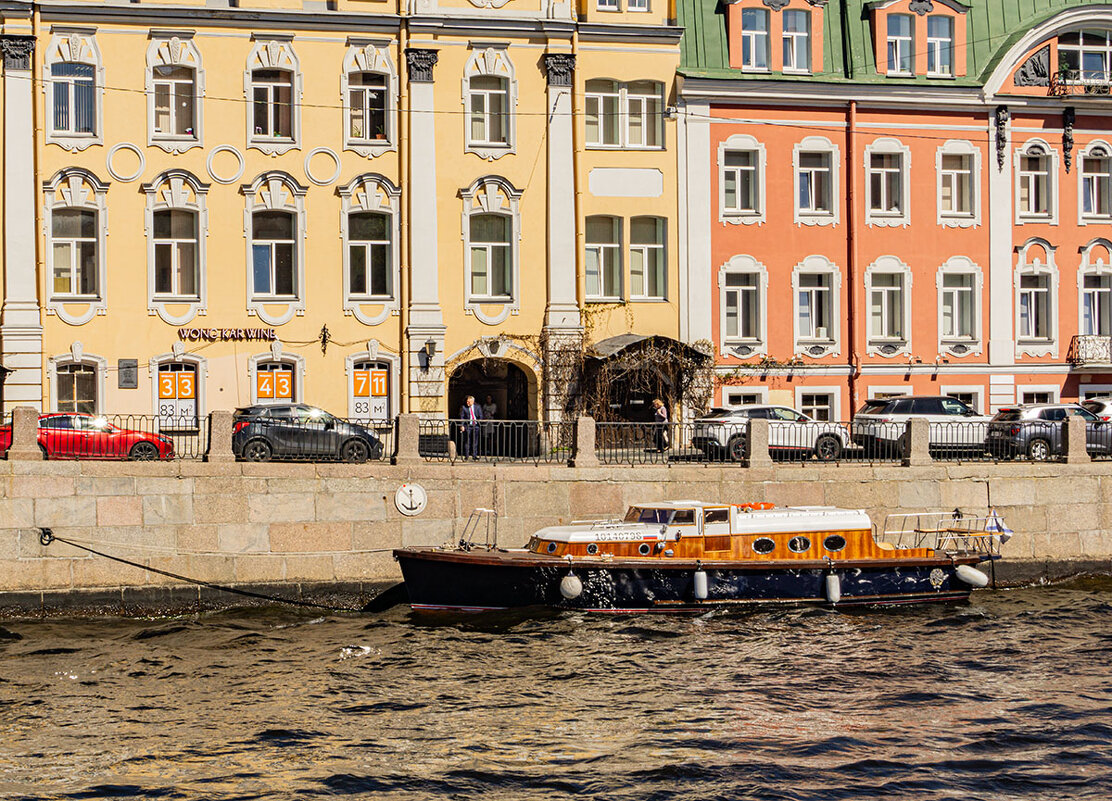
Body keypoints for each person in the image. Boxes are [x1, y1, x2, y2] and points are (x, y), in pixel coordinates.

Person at [458, 395, 483, 460]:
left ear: (473, 401)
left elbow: (480, 416)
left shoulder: (478, 407)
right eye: (467, 402)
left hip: (476, 426)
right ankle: (466, 455)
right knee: (467, 441)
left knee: (475, 441)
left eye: (469, 402)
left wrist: (479, 423)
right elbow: (462, 417)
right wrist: (462, 425)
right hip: (468, 426)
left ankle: (474, 455)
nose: (467, 403)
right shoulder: (464, 407)